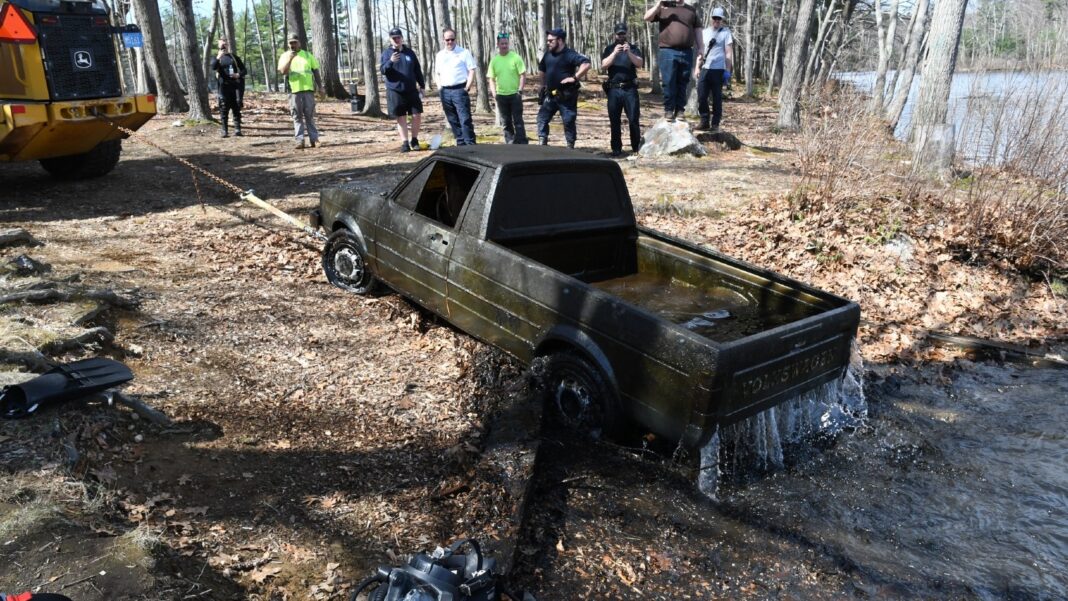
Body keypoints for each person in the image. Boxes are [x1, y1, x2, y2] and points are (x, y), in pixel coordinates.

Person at [644, 0, 701, 122]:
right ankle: (669, 110)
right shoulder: (663, 7)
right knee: (669, 81)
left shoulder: (691, 10)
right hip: (668, 50)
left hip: (687, 51)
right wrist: (658, 5)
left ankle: (680, 110)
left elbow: (697, 30)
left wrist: (701, 47)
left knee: (683, 82)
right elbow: (647, 17)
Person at [536, 28, 590, 148]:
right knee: (542, 118)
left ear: (560, 40)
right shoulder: (548, 54)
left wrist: (575, 78)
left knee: (568, 121)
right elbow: (542, 69)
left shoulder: (569, 54)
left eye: (551, 41)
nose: (548, 43)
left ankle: (570, 146)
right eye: (547, 41)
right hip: (550, 95)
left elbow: (586, 64)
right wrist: (542, 84)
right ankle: (542, 143)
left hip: (566, 95)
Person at [600, 22, 644, 156]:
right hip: (614, 89)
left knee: (633, 119)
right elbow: (604, 66)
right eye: (619, 34)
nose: (621, 36)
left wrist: (629, 52)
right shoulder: (609, 49)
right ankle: (616, 148)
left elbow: (639, 64)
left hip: (630, 89)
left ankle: (636, 147)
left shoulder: (633, 48)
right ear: (615, 35)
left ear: (627, 34)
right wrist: (614, 53)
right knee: (614, 120)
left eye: (623, 33)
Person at [381, 27, 426, 152]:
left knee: (416, 115)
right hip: (395, 90)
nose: (396, 40)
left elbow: (417, 70)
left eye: (398, 37)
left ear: (402, 38)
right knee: (401, 117)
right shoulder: (386, 54)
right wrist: (390, 61)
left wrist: (422, 86)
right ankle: (405, 142)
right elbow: (383, 70)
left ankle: (414, 140)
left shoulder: (409, 52)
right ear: (390, 39)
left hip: (411, 89)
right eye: (394, 38)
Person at [277, 33, 322, 149]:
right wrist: (290, 58)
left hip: (308, 90)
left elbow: (316, 71)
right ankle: (299, 140)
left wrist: (320, 87)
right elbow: (283, 71)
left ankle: (314, 139)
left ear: (299, 43)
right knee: (297, 116)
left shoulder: (307, 55)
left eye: (295, 42)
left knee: (309, 115)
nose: (293, 45)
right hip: (294, 91)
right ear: (288, 44)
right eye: (290, 43)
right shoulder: (285, 56)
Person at [434, 28, 477, 146]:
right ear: (443, 40)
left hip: (460, 89)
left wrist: (467, 87)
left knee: (465, 118)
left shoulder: (464, 52)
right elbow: (437, 73)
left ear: (455, 39)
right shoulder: (439, 55)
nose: (450, 42)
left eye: (452, 39)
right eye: (447, 39)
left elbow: (472, 70)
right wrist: (440, 88)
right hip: (445, 91)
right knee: (452, 119)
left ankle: (470, 143)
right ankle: (460, 142)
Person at [695, 7, 733, 131]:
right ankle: (704, 120)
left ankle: (715, 123)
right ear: (711, 18)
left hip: (718, 69)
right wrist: (697, 67)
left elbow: (728, 53)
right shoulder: (704, 32)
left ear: (722, 20)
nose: (716, 20)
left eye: (719, 18)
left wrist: (727, 71)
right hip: (705, 68)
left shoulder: (726, 33)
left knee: (717, 98)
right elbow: (701, 52)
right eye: (715, 18)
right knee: (701, 96)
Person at [487, 32, 528, 144]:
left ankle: (522, 142)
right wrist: (494, 93)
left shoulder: (516, 57)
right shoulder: (494, 61)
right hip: (501, 96)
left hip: (515, 94)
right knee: (506, 122)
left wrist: (520, 90)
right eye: (502, 43)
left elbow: (523, 74)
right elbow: (491, 78)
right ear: (498, 44)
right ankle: (510, 142)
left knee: (518, 120)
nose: (504, 46)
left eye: (506, 43)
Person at [210, 38, 246, 138]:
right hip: (223, 86)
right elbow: (213, 67)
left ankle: (238, 130)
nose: (224, 46)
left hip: (235, 86)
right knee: (224, 108)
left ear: (228, 45)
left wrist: (238, 74)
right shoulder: (216, 58)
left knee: (236, 107)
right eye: (222, 45)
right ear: (218, 46)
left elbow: (244, 70)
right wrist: (218, 57)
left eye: (225, 44)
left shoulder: (234, 57)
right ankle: (224, 131)